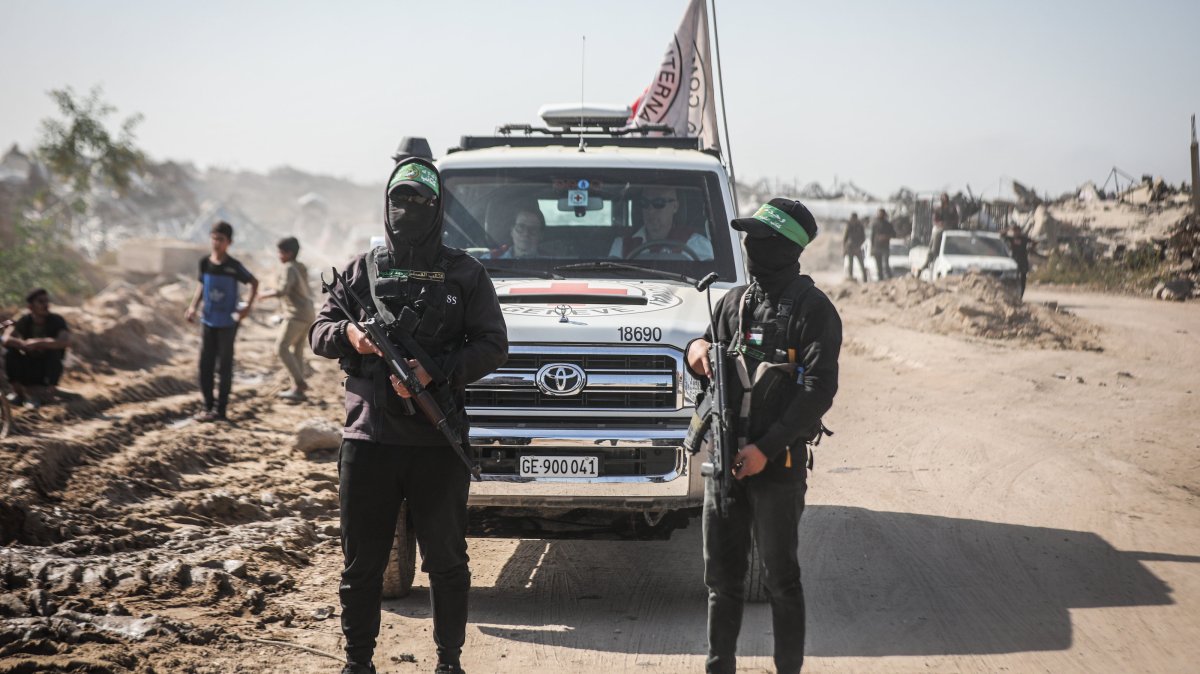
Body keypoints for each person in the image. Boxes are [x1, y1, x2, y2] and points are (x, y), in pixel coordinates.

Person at [310, 157, 508, 674]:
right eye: (399, 200)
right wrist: (351, 337)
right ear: (385, 205)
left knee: (447, 564)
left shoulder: (465, 272)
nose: (408, 211)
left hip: (436, 442)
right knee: (362, 567)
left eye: (420, 201)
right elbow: (320, 331)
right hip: (369, 440)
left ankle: (449, 662)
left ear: (438, 207)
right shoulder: (363, 270)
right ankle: (357, 663)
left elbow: (492, 345)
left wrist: (434, 372)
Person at [685, 197, 842, 674]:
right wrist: (696, 352)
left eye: (762, 239)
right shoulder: (734, 301)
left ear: (788, 248)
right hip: (725, 464)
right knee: (722, 582)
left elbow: (818, 390)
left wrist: (765, 450)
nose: (751, 246)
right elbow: (701, 345)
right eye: (748, 237)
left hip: (777, 467)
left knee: (780, 580)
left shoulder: (814, 310)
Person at [184, 221, 258, 422]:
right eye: (214, 238)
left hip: (228, 323)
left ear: (229, 242)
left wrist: (247, 307)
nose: (216, 243)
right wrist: (193, 307)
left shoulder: (233, 267)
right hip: (208, 321)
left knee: (224, 366)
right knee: (205, 365)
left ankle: (221, 410)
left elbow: (253, 282)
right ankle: (207, 406)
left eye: (221, 240)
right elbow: (201, 285)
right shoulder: (205, 263)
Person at [260, 236, 315, 401]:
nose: (278, 255)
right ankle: (298, 389)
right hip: (308, 313)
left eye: (280, 252)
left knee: (281, 348)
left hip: (296, 315)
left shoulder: (289, 268)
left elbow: (283, 290)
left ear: (289, 253)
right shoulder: (301, 266)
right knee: (297, 351)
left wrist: (264, 295)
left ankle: (299, 384)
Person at [2, 288, 70, 409]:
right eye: (41, 301)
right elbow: (6, 338)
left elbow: (63, 341)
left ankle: (47, 394)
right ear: (30, 306)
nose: (45, 305)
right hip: (29, 363)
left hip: (46, 367)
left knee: (53, 353)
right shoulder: (24, 319)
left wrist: (39, 343)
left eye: (46, 301)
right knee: (11, 353)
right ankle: (19, 394)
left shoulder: (57, 320)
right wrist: (22, 344)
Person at [609, 186, 713, 259]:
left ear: (675, 206)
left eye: (658, 203)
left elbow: (710, 284)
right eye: (644, 203)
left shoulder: (695, 244)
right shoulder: (622, 245)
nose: (650, 210)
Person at [1003, 225, 1035, 300]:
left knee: (1023, 279)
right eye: (1014, 231)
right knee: (1013, 279)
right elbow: (1001, 235)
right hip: (1014, 261)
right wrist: (1008, 228)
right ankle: (1013, 295)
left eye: (1017, 231)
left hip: (1023, 261)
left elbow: (1034, 241)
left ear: (1019, 231)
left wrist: (1030, 249)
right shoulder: (1011, 238)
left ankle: (1021, 296)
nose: (1015, 233)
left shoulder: (1024, 238)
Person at [869, 208, 896, 281]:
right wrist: (872, 249)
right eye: (879, 213)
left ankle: (890, 280)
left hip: (885, 248)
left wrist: (886, 236)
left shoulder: (888, 224)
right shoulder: (874, 224)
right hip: (876, 248)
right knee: (879, 267)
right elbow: (872, 237)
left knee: (885, 265)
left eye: (882, 213)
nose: (880, 215)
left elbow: (894, 234)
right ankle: (880, 280)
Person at [843, 212, 867, 282]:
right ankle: (851, 279)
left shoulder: (860, 226)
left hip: (858, 248)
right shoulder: (849, 226)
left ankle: (865, 279)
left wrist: (858, 246)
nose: (853, 220)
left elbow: (863, 238)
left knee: (862, 264)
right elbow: (845, 238)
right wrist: (844, 249)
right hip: (850, 248)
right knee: (851, 265)